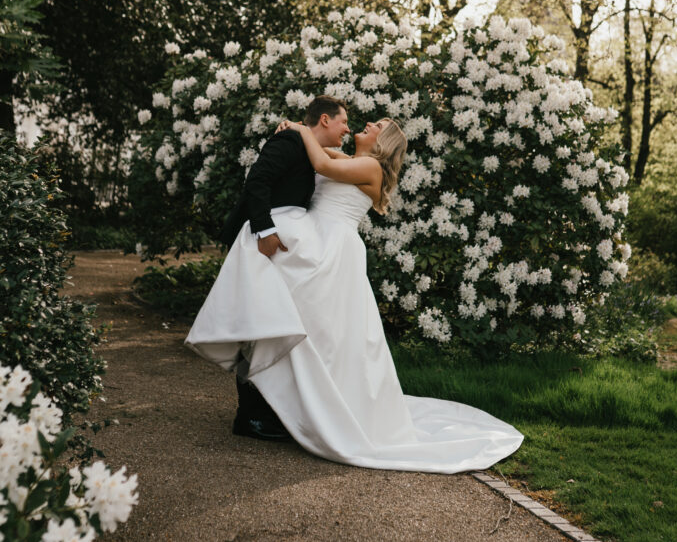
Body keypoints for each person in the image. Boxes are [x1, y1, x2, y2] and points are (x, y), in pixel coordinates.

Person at [185, 110, 524, 473]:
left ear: (383, 142)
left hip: (332, 249)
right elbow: (320, 153)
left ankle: (283, 408)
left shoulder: (371, 169)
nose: (366, 125)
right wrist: (300, 134)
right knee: (293, 320)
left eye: (375, 127)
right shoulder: (353, 160)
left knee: (318, 333)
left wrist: (299, 128)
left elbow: (320, 161)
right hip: (315, 239)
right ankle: (270, 406)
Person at [211, 95, 350, 441]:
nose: (347, 128)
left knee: (270, 325)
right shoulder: (288, 141)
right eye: (343, 121)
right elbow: (257, 181)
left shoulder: (307, 145)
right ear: (324, 120)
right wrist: (266, 231)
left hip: (280, 249)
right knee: (258, 326)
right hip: (259, 243)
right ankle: (250, 418)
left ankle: (265, 411)